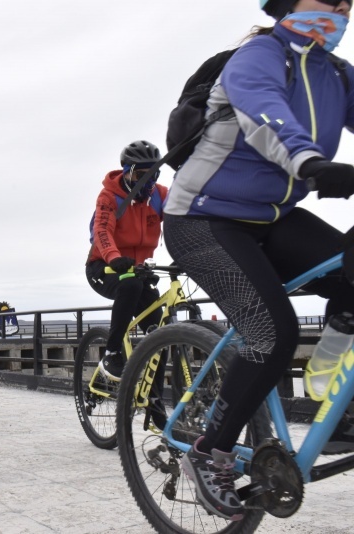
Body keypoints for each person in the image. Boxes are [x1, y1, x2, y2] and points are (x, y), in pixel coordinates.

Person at [163, 0, 354, 521]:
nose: (339, 7)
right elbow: (264, 111)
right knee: (273, 333)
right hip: (203, 217)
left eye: (347, 1)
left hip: (272, 217)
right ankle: (210, 452)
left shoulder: (337, 74)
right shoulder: (258, 56)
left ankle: (328, 390)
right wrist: (310, 162)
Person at [85, 140, 168, 381]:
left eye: (154, 175)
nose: (149, 182)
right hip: (104, 267)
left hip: (137, 270)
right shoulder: (110, 196)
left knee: (160, 336)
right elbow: (101, 230)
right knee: (129, 286)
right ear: (128, 172)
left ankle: (155, 406)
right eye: (143, 175)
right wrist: (114, 257)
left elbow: (181, 218)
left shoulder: (160, 196)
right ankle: (111, 353)